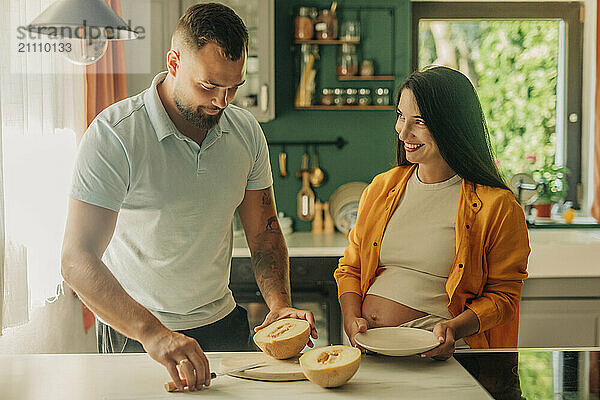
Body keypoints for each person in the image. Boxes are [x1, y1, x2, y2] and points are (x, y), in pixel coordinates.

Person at [61, 3, 316, 392]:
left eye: (234, 87)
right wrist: (153, 333)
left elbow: (264, 231)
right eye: (209, 85)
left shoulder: (245, 133)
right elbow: (76, 260)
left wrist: (279, 304)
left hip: (223, 323)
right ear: (174, 62)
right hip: (137, 335)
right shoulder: (115, 136)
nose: (222, 101)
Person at [334, 66, 530, 360]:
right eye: (401, 116)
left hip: (440, 355)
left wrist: (453, 329)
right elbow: (350, 269)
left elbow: (504, 298)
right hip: (370, 351)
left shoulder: (498, 206)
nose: (403, 132)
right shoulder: (381, 188)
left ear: (452, 125)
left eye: (419, 121)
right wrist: (351, 322)